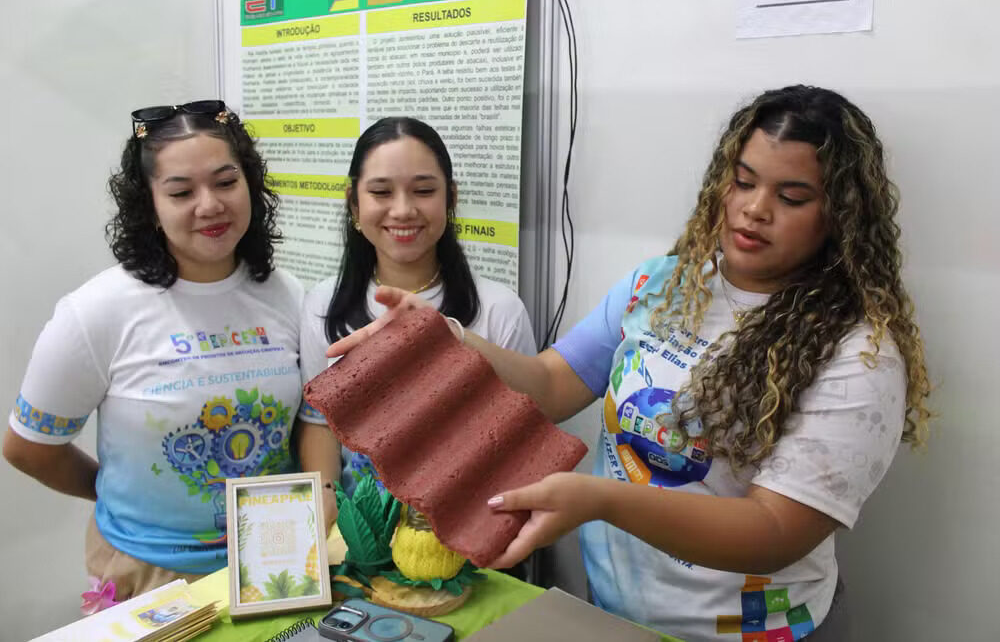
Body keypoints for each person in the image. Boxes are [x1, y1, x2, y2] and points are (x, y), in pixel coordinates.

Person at [326, 86, 933, 640]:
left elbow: (773, 533)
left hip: (749, 630)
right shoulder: (664, 283)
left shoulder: (859, 354)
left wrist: (600, 500)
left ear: (839, 218)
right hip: (616, 612)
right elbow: (550, 384)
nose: (754, 209)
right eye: (743, 181)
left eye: (791, 196)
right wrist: (449, 337)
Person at [3, 101, 335, 603]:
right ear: (150, 206)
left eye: (226, 182)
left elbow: (313, 419)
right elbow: (27, 446)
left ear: (251, 185)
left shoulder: (288, 295)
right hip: (148, 571)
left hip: (276, 558)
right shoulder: (96, 312)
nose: (210, 205)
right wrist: (114, 492)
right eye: (181, 191)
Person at [298, 116, 536, 495]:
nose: (404, 210)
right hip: (360, 539)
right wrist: (324, 499)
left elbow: (524, 438)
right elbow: (319, 423)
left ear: (451, 198)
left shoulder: (499, 311)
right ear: (353, 204)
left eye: (423, 190)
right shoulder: (322, 305)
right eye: (381, 192)